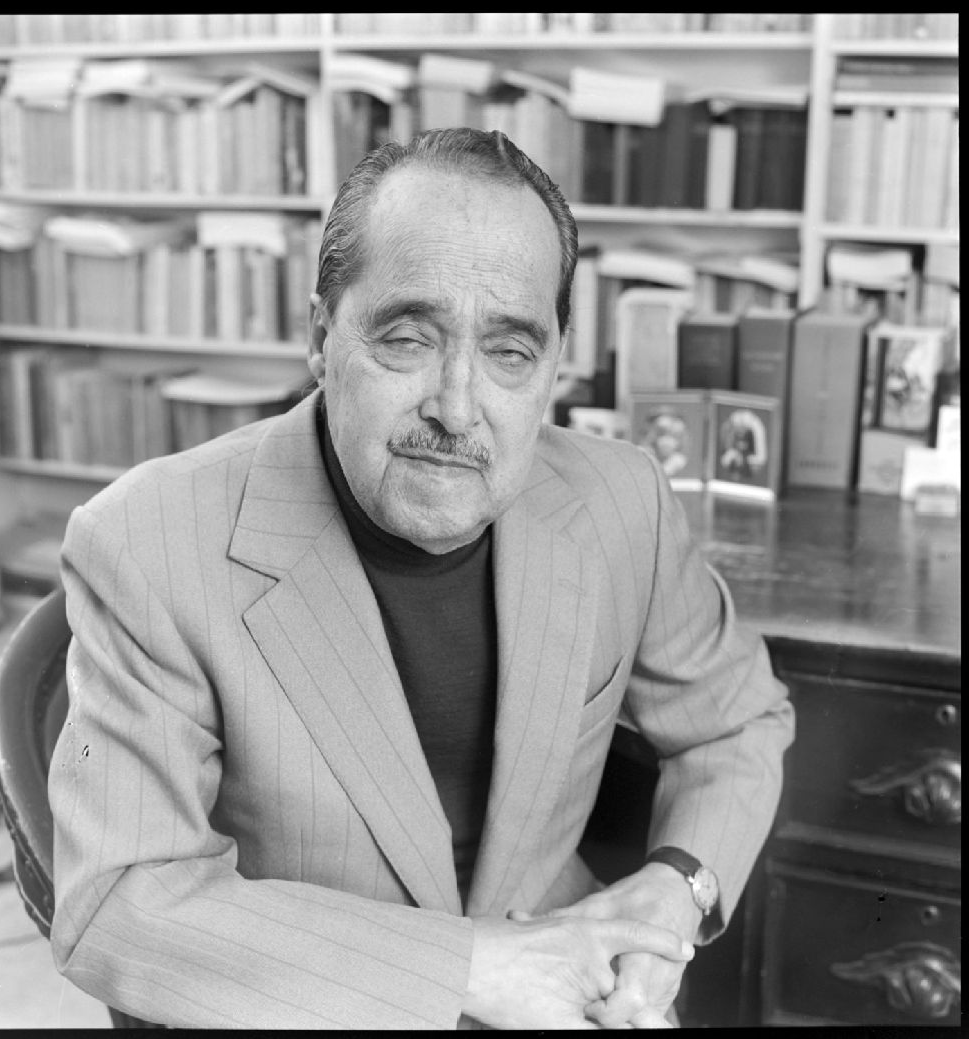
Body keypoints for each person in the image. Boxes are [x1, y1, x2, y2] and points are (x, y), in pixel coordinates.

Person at [48, 127, 794, 1029]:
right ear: (321, 337)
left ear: (554, 365)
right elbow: (118, 902)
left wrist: (677, 886)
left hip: (574, 977)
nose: (457, 407)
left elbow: (738, 720)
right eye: (407, 338)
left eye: (510, 352)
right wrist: (472, 969)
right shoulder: (146, 540)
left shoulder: (621, 499)